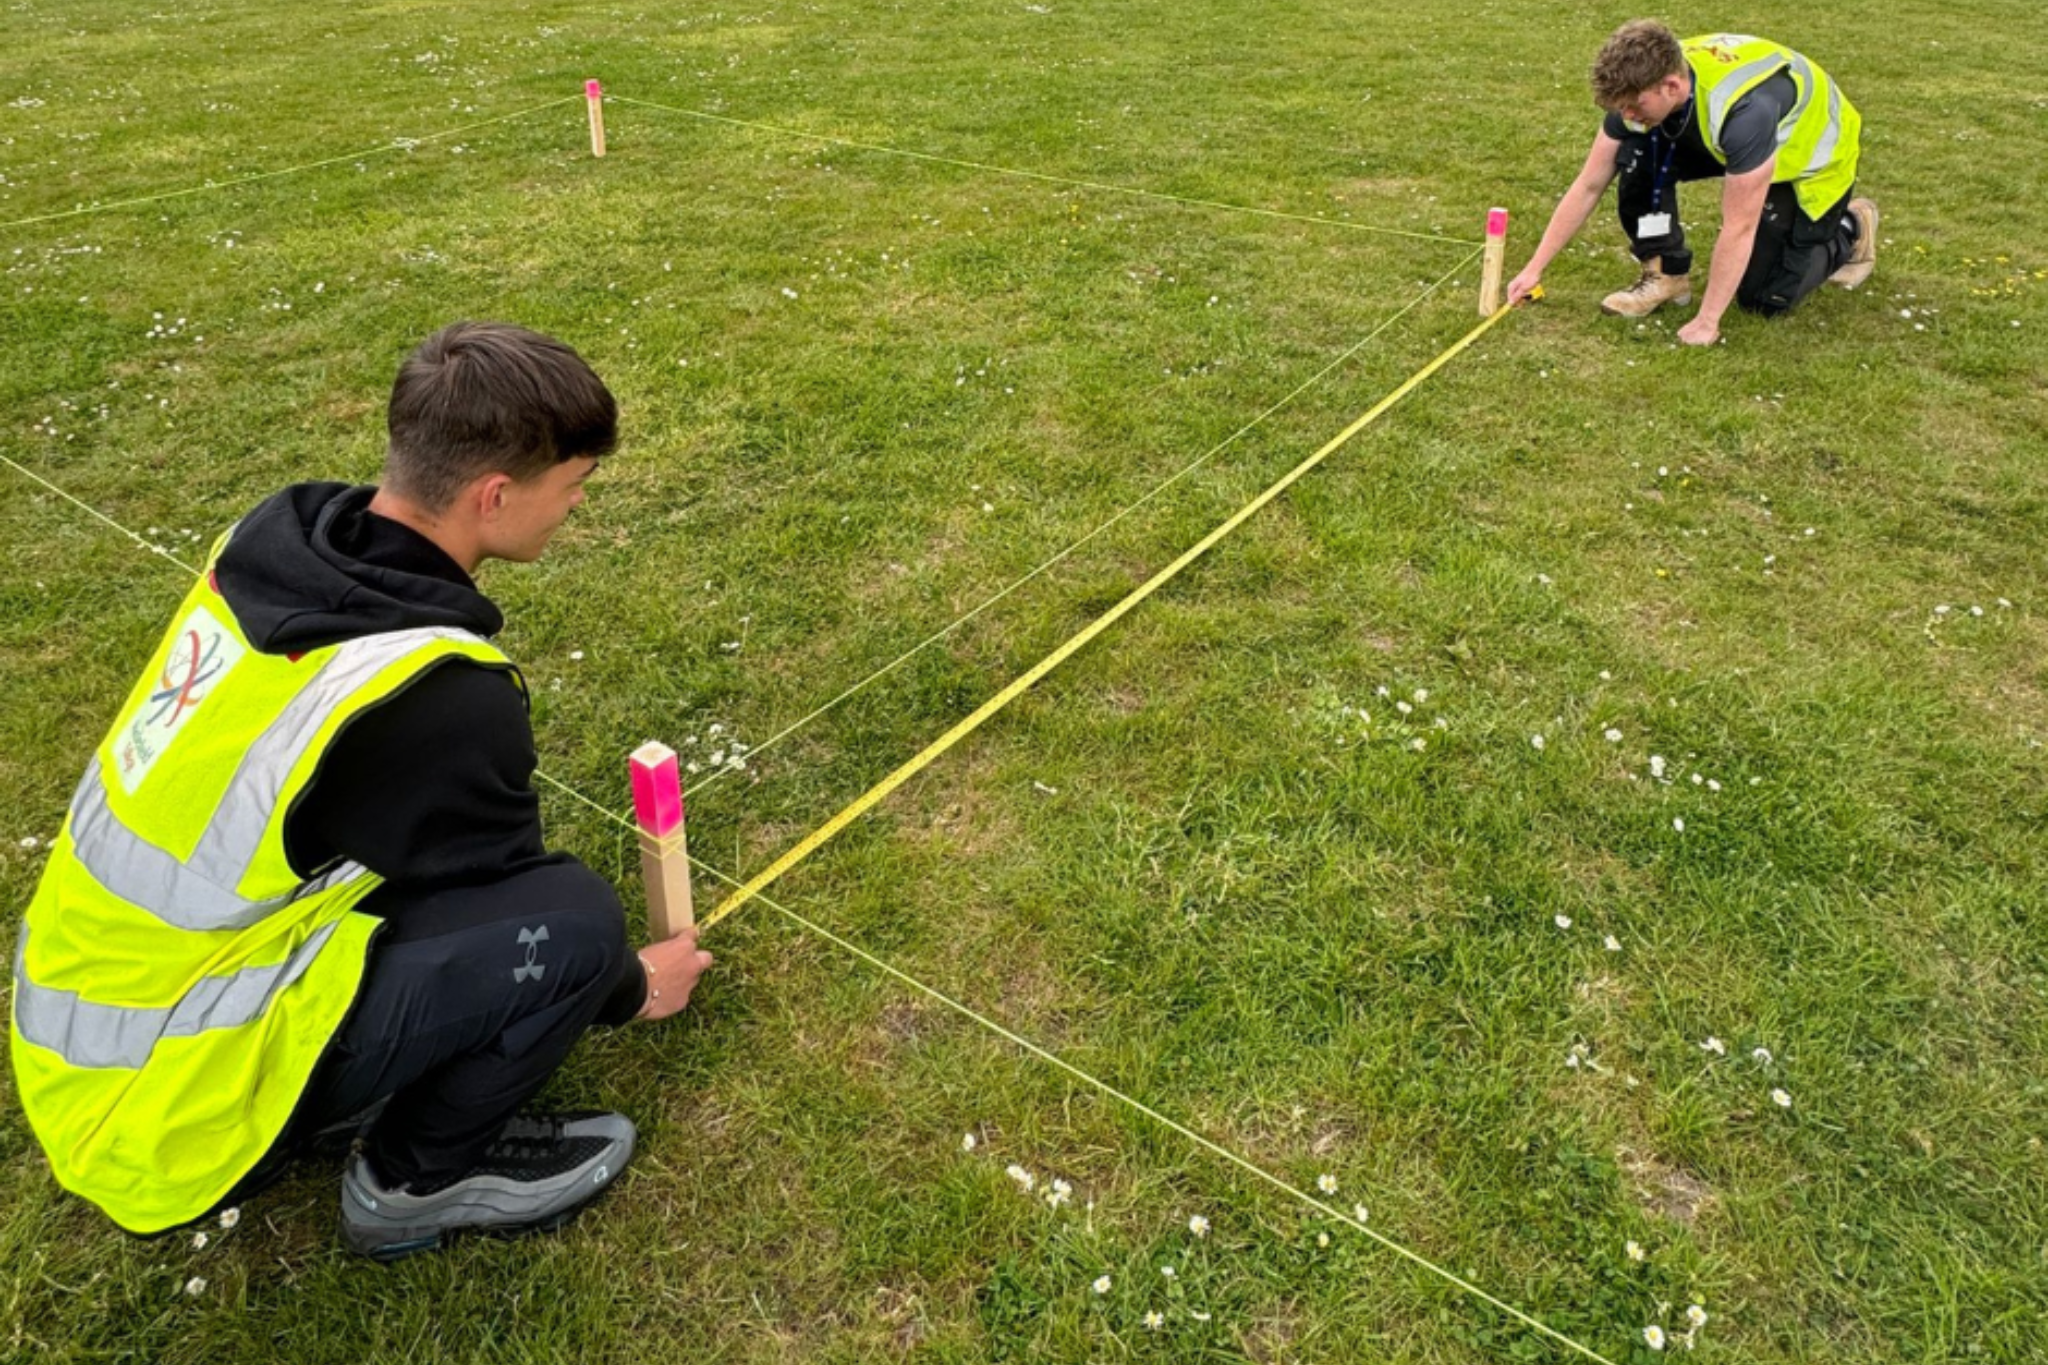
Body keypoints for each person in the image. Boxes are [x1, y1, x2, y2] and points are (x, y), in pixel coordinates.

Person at [10, 321, 715, 1260]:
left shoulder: (272, 551)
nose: (575, 509)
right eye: (573, 488)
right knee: (577, 922)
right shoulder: (439, 695)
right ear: (493, 495)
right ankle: (412, 1184)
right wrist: (631, 985)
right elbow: (512, 909)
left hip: (74, 1026)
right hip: (165, 1108)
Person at [1505, 21, 1877, 345]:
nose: (1627, 115)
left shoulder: (1745, 113)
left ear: (1670, 85)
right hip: (1727, 137)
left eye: (1634, 106)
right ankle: (1666, 274)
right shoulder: (1647, 83)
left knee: (1764, 300)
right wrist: (1534, 268)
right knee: (1635, 151)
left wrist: (1707, 321)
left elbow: (1739, 225)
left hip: (1811, 164)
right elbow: (1589, 184)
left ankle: (1852, 227)